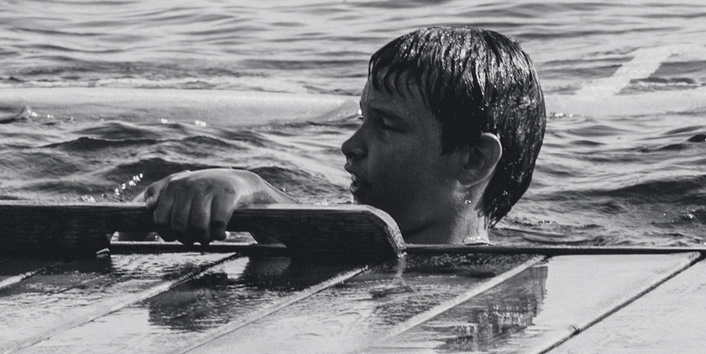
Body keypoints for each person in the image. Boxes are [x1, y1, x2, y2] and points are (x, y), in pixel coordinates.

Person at [144, 26, 545, 247]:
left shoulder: (496, 286)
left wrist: (253, 188)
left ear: (473, 160)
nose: (350, 145)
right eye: (361, 120)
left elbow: (344, 242)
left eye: (385, 125)